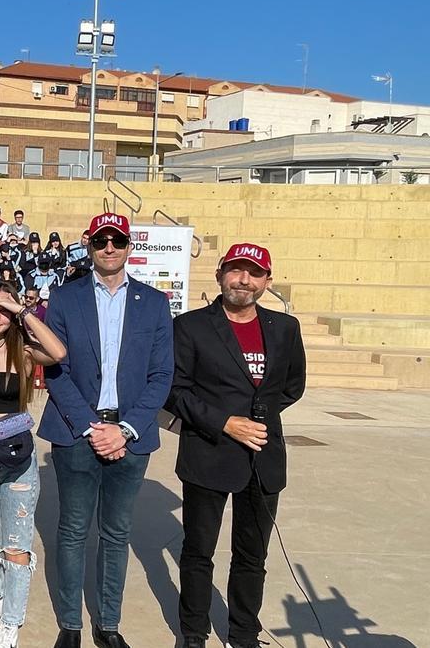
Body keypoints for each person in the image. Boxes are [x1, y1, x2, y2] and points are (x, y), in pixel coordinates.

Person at [40, 212, 175, 648]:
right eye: (102, 241)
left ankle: (109, 624)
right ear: (89, 245)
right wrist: (91, 426)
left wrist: (127, 429)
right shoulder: (64, 298)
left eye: (117, 240)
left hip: (131, 435)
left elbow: (161, 376)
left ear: (129, 246)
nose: (110, 248)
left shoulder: (154, 303)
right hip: (77, 431)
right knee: (74, 530)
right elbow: (55, 370)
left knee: (116, 533)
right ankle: (70, 625)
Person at [168, 244, 306, 648]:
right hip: (208, 452)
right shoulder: (190, 326)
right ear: (219, 274)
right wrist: (226, 422)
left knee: (252, 556)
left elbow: (293, 386)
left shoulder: (285, 328)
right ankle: (193, 632)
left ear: (266, 280)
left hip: (263, 458)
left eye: (254, 273)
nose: (243, 280)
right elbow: (174, 391)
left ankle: (244, 633)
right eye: (236, 270)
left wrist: (258, 417)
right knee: (198, 551)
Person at [0, 281, 67, 648]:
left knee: (17, 544)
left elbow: (59, 351)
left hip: (18, 458)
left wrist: (22, 312)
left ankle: (12, 621)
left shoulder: (22, 352)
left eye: (4, 310)